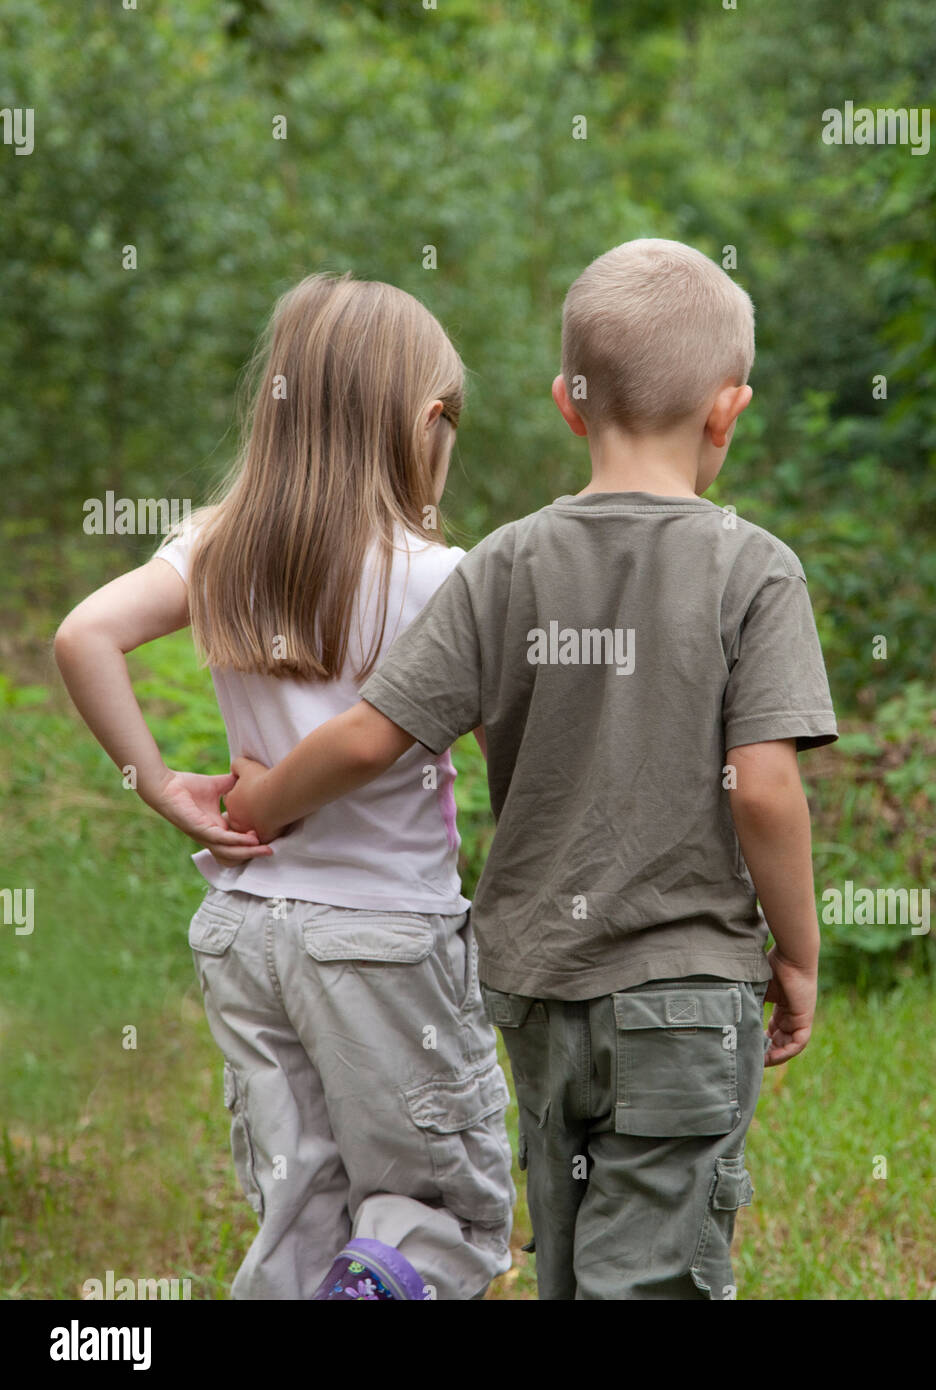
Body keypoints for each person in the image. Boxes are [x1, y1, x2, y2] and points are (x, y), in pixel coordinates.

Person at [224, 240, 838, 1300]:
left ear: (567, 402)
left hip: (535, 988)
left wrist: (258, 799)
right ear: (727, 409)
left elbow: (375, 734)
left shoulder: (505, 560)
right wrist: (799, 950)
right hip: (686, 988)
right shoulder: (754, 566)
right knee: (652, 1267)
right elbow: (766, 787)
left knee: (563, 1242)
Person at [54, 272, 514, 1301]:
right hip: (383, 935)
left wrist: (160, 784)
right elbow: (508, 749)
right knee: (442, 1203)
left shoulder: (218, 545)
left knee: (297, 1193)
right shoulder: (445, 579)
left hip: (246, 933)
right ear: (428, 423)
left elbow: (84, 633)